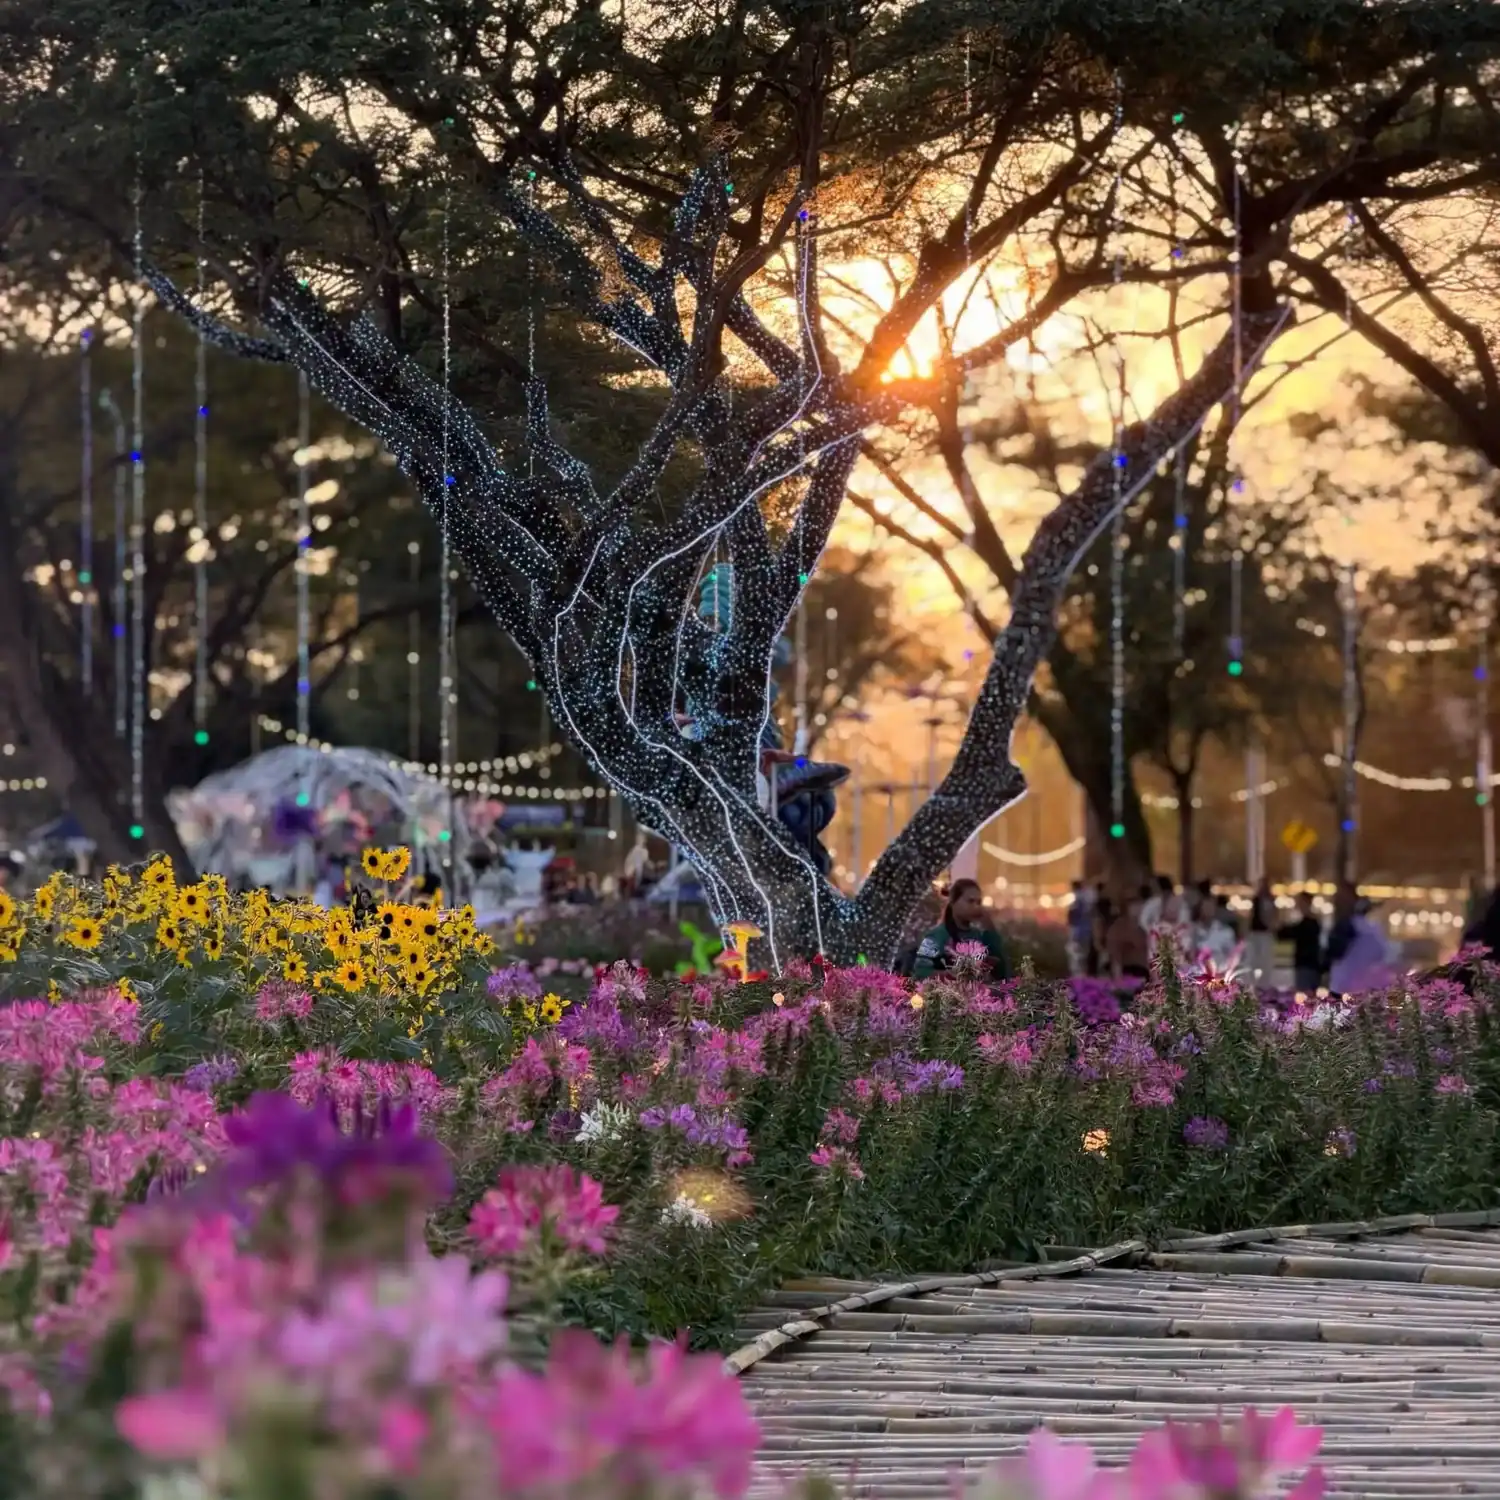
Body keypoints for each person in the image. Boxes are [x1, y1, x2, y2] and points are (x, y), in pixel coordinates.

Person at [913, 879, 1010, 980]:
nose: (976, 907)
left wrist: (990, 927)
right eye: (970, 901)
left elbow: (1002, 971)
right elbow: (920, 973)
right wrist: (952, 974)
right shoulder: (935, 936)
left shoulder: (979, 935)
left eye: (978, 902)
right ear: (953, 902)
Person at [1281, 889, 1324, 994]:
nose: (1298, 906)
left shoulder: (1309, 923)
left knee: (1305, 995)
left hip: (1306, 964)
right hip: (1309, 964)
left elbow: (1288, 933)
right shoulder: (1311, 922)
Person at [1106, 893, 1151, 980]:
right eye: (1133, 906)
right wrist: (1118, 980)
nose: (1137, 909)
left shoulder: (1144, 928)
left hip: (1145, 973)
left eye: (1139, 905)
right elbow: (1115, 957)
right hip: (1127, 973)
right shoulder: (1117, 929)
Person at [1244, 876, 1277, 987]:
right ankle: (1254, 983)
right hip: (1256, 932)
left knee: (1265, 960)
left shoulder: (1270, 900)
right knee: (1253, 960)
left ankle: (1264, 984)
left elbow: (1273, 915)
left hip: (1265, 933)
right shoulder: (1257, 899)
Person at [1066, 880, 1093, 976]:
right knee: (1083, 956)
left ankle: (1079, 976)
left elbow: (1072, 918)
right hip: (1086, 932)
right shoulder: (1087, 899)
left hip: (1078, 933)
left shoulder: (1078, 901)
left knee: (1077, 957)